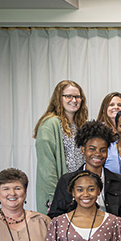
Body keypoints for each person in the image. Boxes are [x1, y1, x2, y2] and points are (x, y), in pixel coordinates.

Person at [48, 121, 121, 221]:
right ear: (83, 150)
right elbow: (55, 215)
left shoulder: (117, 181)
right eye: (92, 149)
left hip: (110, 232)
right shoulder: (67, 180)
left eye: (102, 150)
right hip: (75, 233)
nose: (97, 154)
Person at [34, 79, 88, 210]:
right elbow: (47, 167)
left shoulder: (80, 125)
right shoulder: (49, 124)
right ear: (59, 98)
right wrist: (54, 197)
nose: (74, 100)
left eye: (77, 97)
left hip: (80, 191)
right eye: (68, 96)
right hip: (60, 193)